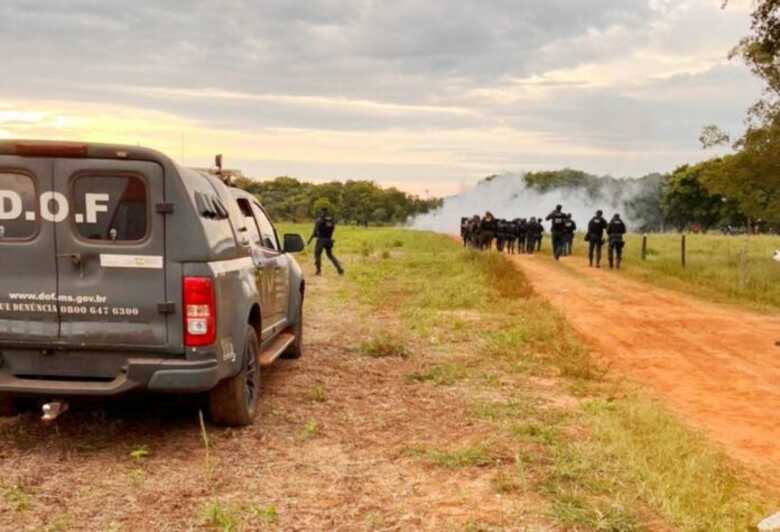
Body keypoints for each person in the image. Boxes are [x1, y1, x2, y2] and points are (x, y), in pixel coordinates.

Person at [308, 208, 344, 276]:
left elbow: (315, 231)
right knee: (330, 255)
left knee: (317, 254)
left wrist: (310, 239)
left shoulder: (319, 220)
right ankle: (339, 268)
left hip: (321, 240)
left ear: (322, 212)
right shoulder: (331, 221)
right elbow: (332, 229)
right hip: (329, 240)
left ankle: (318, 271)